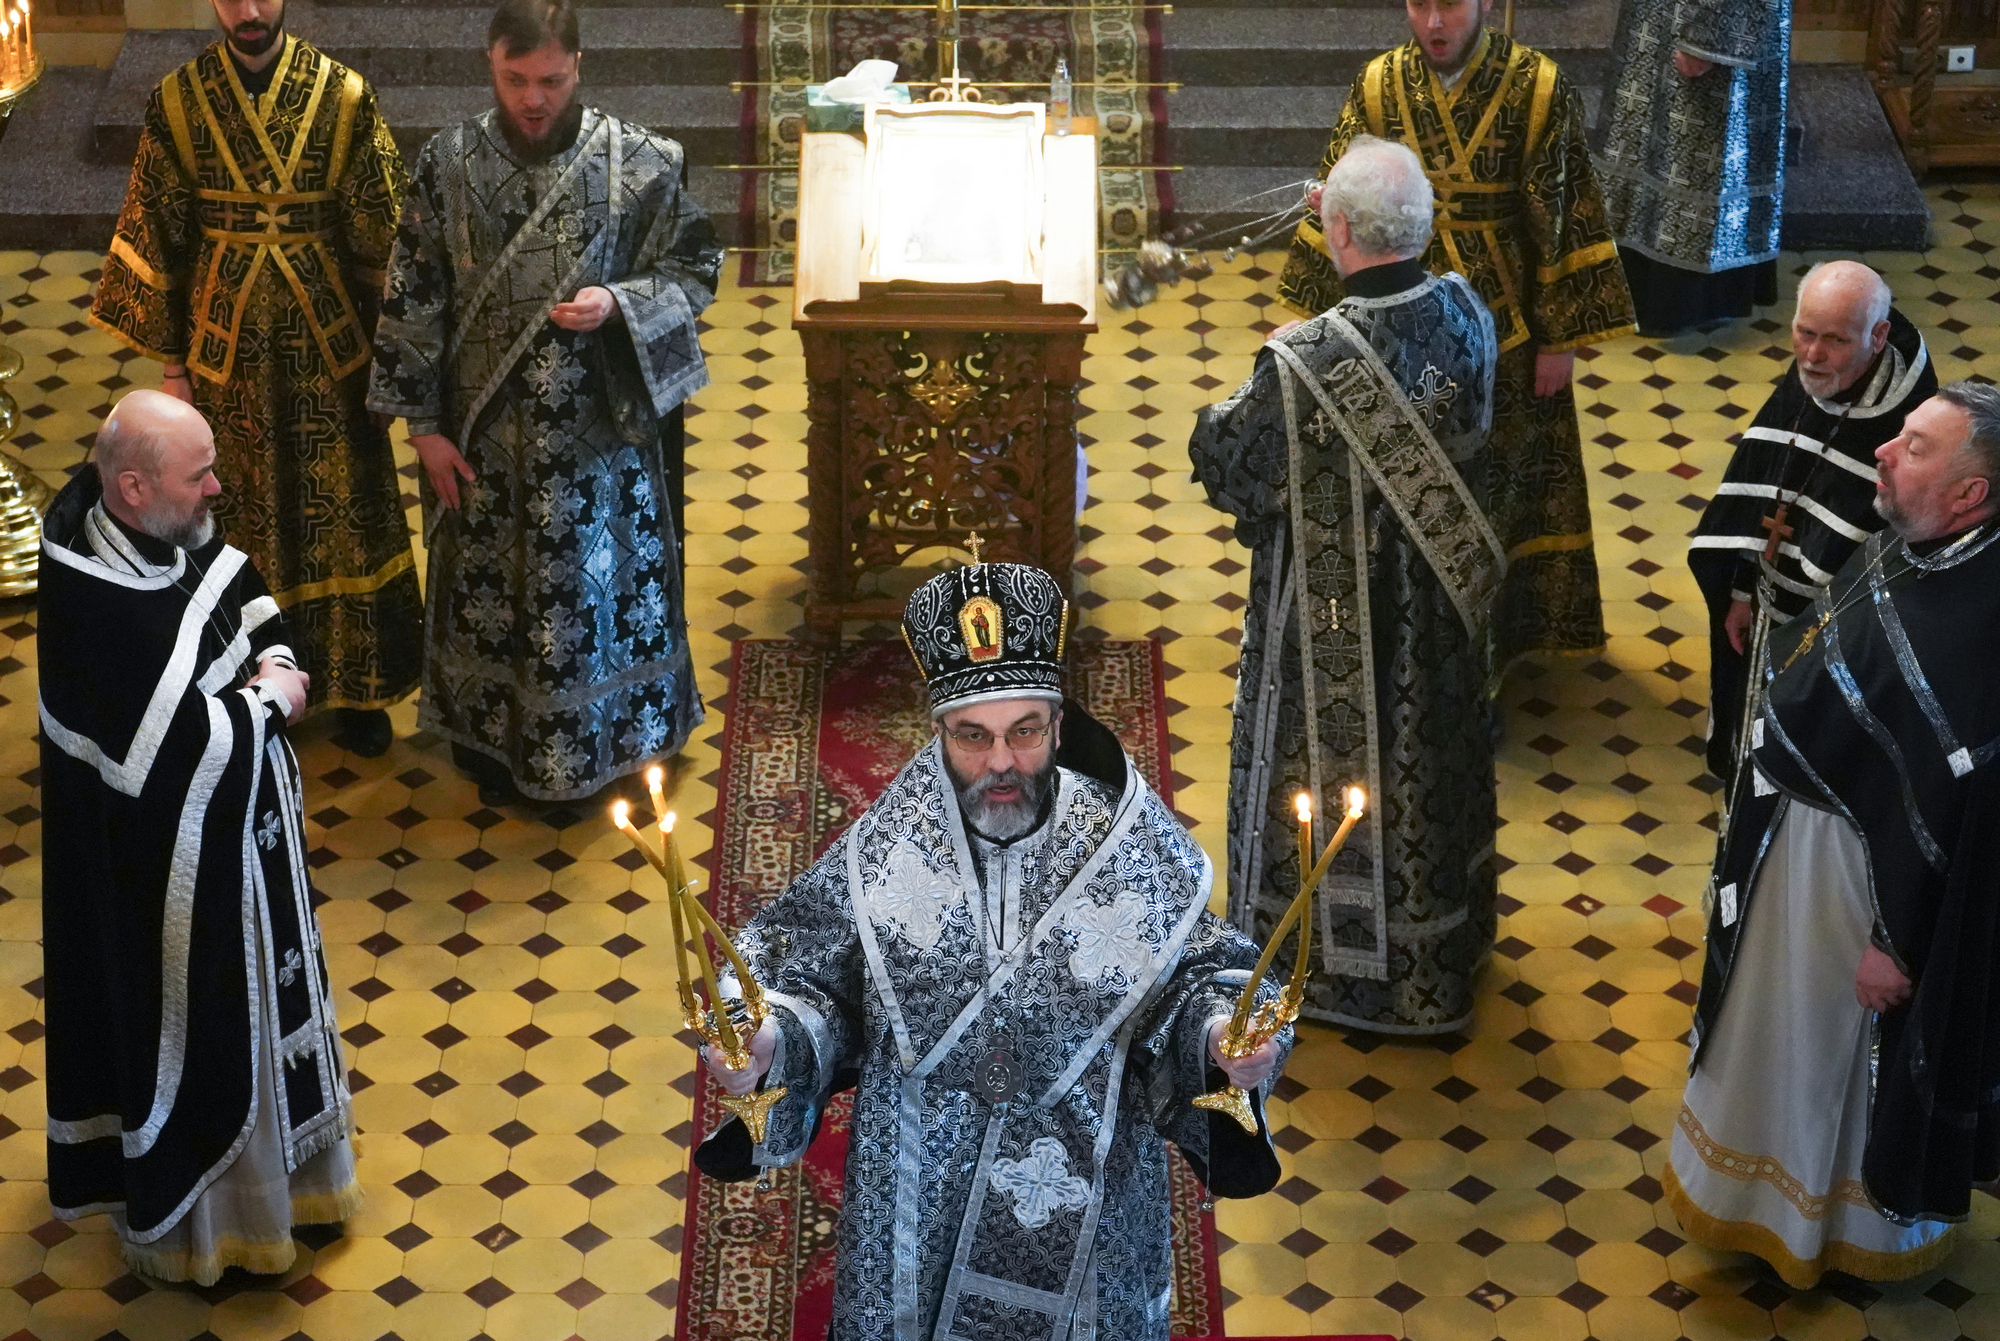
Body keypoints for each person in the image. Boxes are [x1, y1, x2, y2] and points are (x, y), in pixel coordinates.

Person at [694, 559, 1289, 1341]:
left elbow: (1199, 978)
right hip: (916, 1196)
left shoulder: (1123, 843)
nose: (1002, 761)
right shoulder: (890, 846)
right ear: (937, 727)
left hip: (1089, 1198)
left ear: (1057, 719)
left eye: (1025, 732)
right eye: (973, 736)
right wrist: (768, 1041)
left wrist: (1222, 1043)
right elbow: (812, 982)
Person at [1670, 380, 2000, 1286]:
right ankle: (1753, 1203)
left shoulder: (1983, 622)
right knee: (1772, 1031)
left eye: (1917, 446)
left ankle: (1826, 1233)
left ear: (1971, 495)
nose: (1886, 451)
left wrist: (1895, 946)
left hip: (1861, 903)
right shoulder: (1915, 545)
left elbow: (1963, 826)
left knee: (1827, 1064)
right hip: (1796, 858)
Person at [368, 0, 721, 806]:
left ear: (580, 67)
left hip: (604, 446)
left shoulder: (641, 161)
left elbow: (696, 270)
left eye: (551, 80)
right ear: (490, 63)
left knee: (598, 598)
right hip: (484, 442)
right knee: (499, 603)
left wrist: (619, 302)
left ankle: (620, 736)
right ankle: (494, 745)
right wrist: (423, 429)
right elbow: (413, 295)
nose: (533, 99)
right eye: (514, 78)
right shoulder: (447, 165)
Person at [37, 392, 356, 1283]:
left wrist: (279, 658)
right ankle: (213, 1233)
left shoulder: (164, 525)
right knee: (218, 1028)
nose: (218, 487)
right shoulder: (96, 601)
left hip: (246, 843)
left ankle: (294, 1184)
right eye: (199, 474)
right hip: (173, 883)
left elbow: (239, 588)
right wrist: (270, 702)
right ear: (133, 486)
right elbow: (173, 756)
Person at [1192, 139, 1502, 1033]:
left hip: (1336, 621)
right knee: (1428, 768)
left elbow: (1230, 465)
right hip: (1440, 611)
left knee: (1331, 779)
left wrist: (1265, 369)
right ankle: (1439, 958)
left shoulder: (1307, 362)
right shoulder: (1465, 309)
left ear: (1335, 231)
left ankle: (1325, 972)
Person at [88, 0, 421, 759]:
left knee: (345, 509)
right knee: (234, 514)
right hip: (221, 360)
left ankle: (355, 685)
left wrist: (391, 366)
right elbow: (162, 236)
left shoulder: (344, 96)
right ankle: (244, 681)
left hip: (331, 352)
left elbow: (383, 245)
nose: (248, 9)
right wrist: (173, 367)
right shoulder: (177, 101)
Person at [1278, 0, 1636, 670]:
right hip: (1394, 326)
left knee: (1491, 494)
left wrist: (1559, 340)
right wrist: (1309, 309)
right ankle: (1403, 650)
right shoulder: (1380, 85)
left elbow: (1560, 212)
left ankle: (1485, 662)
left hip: (1505, 337)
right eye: (1420, 4)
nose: (1434, 22)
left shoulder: (1537, 86)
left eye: (1450, 5)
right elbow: (1340, 195)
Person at [1688, 260, 1934, 783]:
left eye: (1835, 341)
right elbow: (1767, 478)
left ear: (1879, 335)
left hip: (1838, 628)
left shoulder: (1911, 418)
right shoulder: (1814, 373)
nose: (1814, 356)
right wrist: (1739, 588)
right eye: (1803, 333)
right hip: (1766, 600)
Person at [1596, 0, 1787, 335]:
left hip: (1700, 19)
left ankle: (1686, 303)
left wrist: (1706, 35)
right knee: (1653, 148)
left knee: (1697, 152)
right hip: (1662, 22)